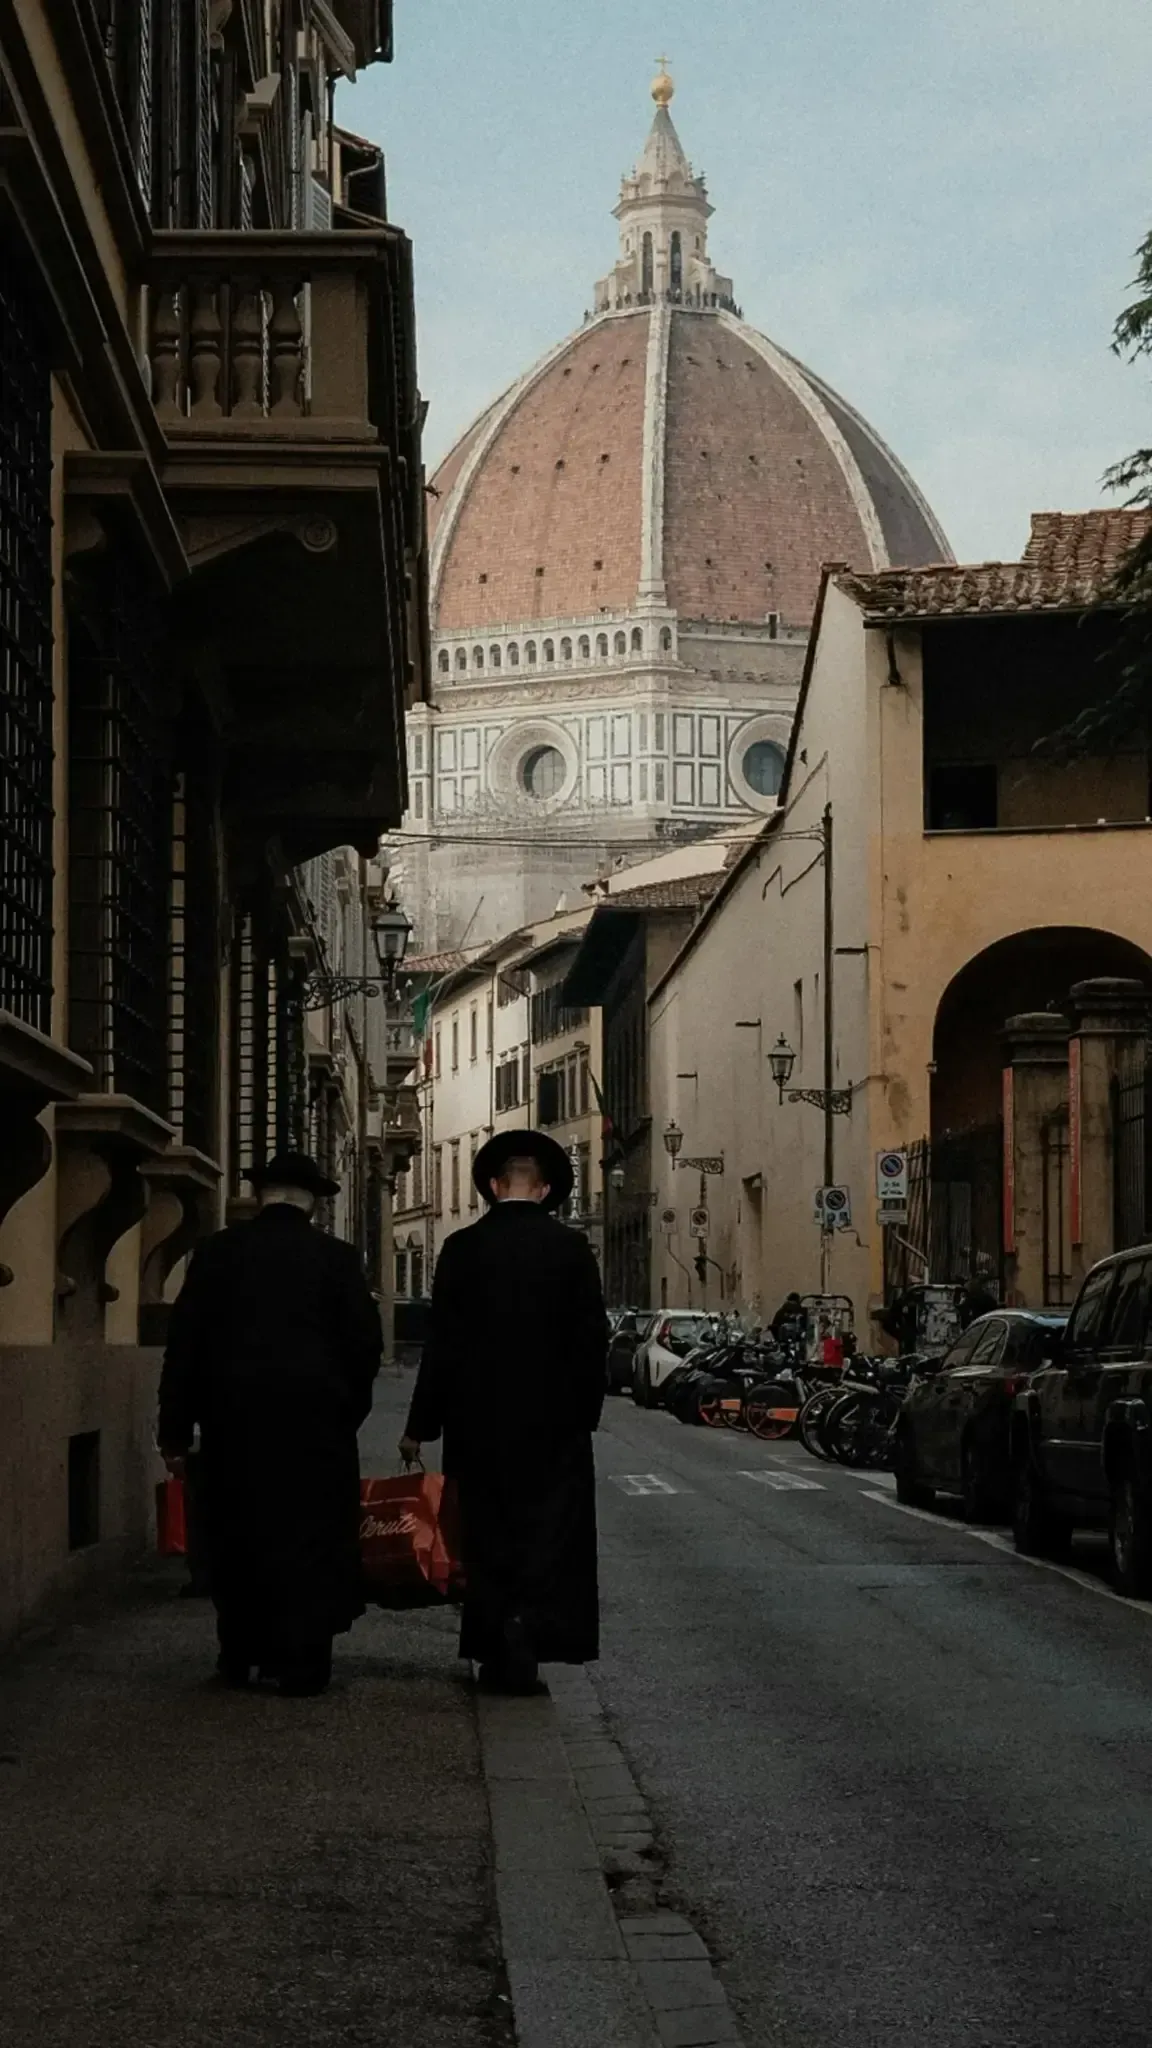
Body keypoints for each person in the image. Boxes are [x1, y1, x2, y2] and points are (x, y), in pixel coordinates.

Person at [157, 1150, 383, 1696]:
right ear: (312, 1202)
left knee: (238, 1537)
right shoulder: (338, 1260)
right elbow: (365, 1349)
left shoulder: (215, 1255)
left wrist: (175, 1430)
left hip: (233, 1427)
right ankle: (303, 1661)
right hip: (316, 1429)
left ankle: (239, 1655)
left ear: (262, 1196)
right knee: (310, 1542)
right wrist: (344, 1411)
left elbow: (183, 1348)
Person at [400, 1129, 608, 1695]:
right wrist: (584, 1414)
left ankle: (494, 1643)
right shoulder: (570, 1250)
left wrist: (421, 1425)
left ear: (494, 1187)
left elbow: (441, 1343)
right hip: (553, 1426)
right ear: (543, 1190)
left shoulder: (463, 1248)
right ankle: (530, 1637)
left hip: (478, 1423)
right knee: (546, 1535)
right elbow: (592, 1339)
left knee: (485, 1535)